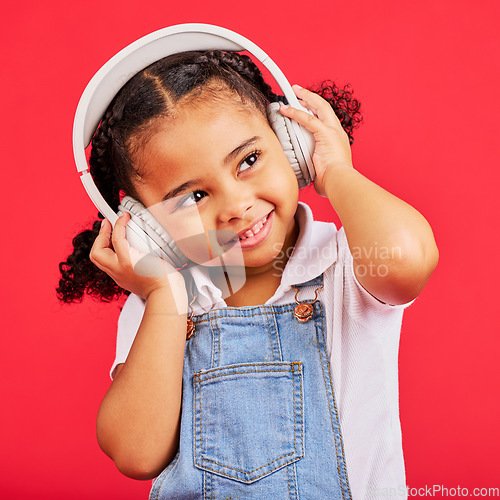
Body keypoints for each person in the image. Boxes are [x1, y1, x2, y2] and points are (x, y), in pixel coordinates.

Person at [57, 48, 438, 499]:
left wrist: (334, 169)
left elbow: (408, 259)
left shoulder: (345, 265)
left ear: (290, 141)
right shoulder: (166, 301)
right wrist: (164, 298)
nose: (236, 206)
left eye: (249, 160)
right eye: (193, 198)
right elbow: (136, 454)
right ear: (150, 229)